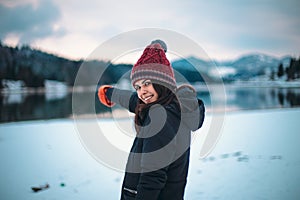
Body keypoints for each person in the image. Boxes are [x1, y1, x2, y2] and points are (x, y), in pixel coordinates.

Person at [98, 40, 205, 200]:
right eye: (138, 87)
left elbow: (153, 176)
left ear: (162, 83)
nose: (142, 92)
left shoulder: (161, 118)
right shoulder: (173, 106)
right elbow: (135, 101)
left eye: (147, 83)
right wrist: (110, 94)